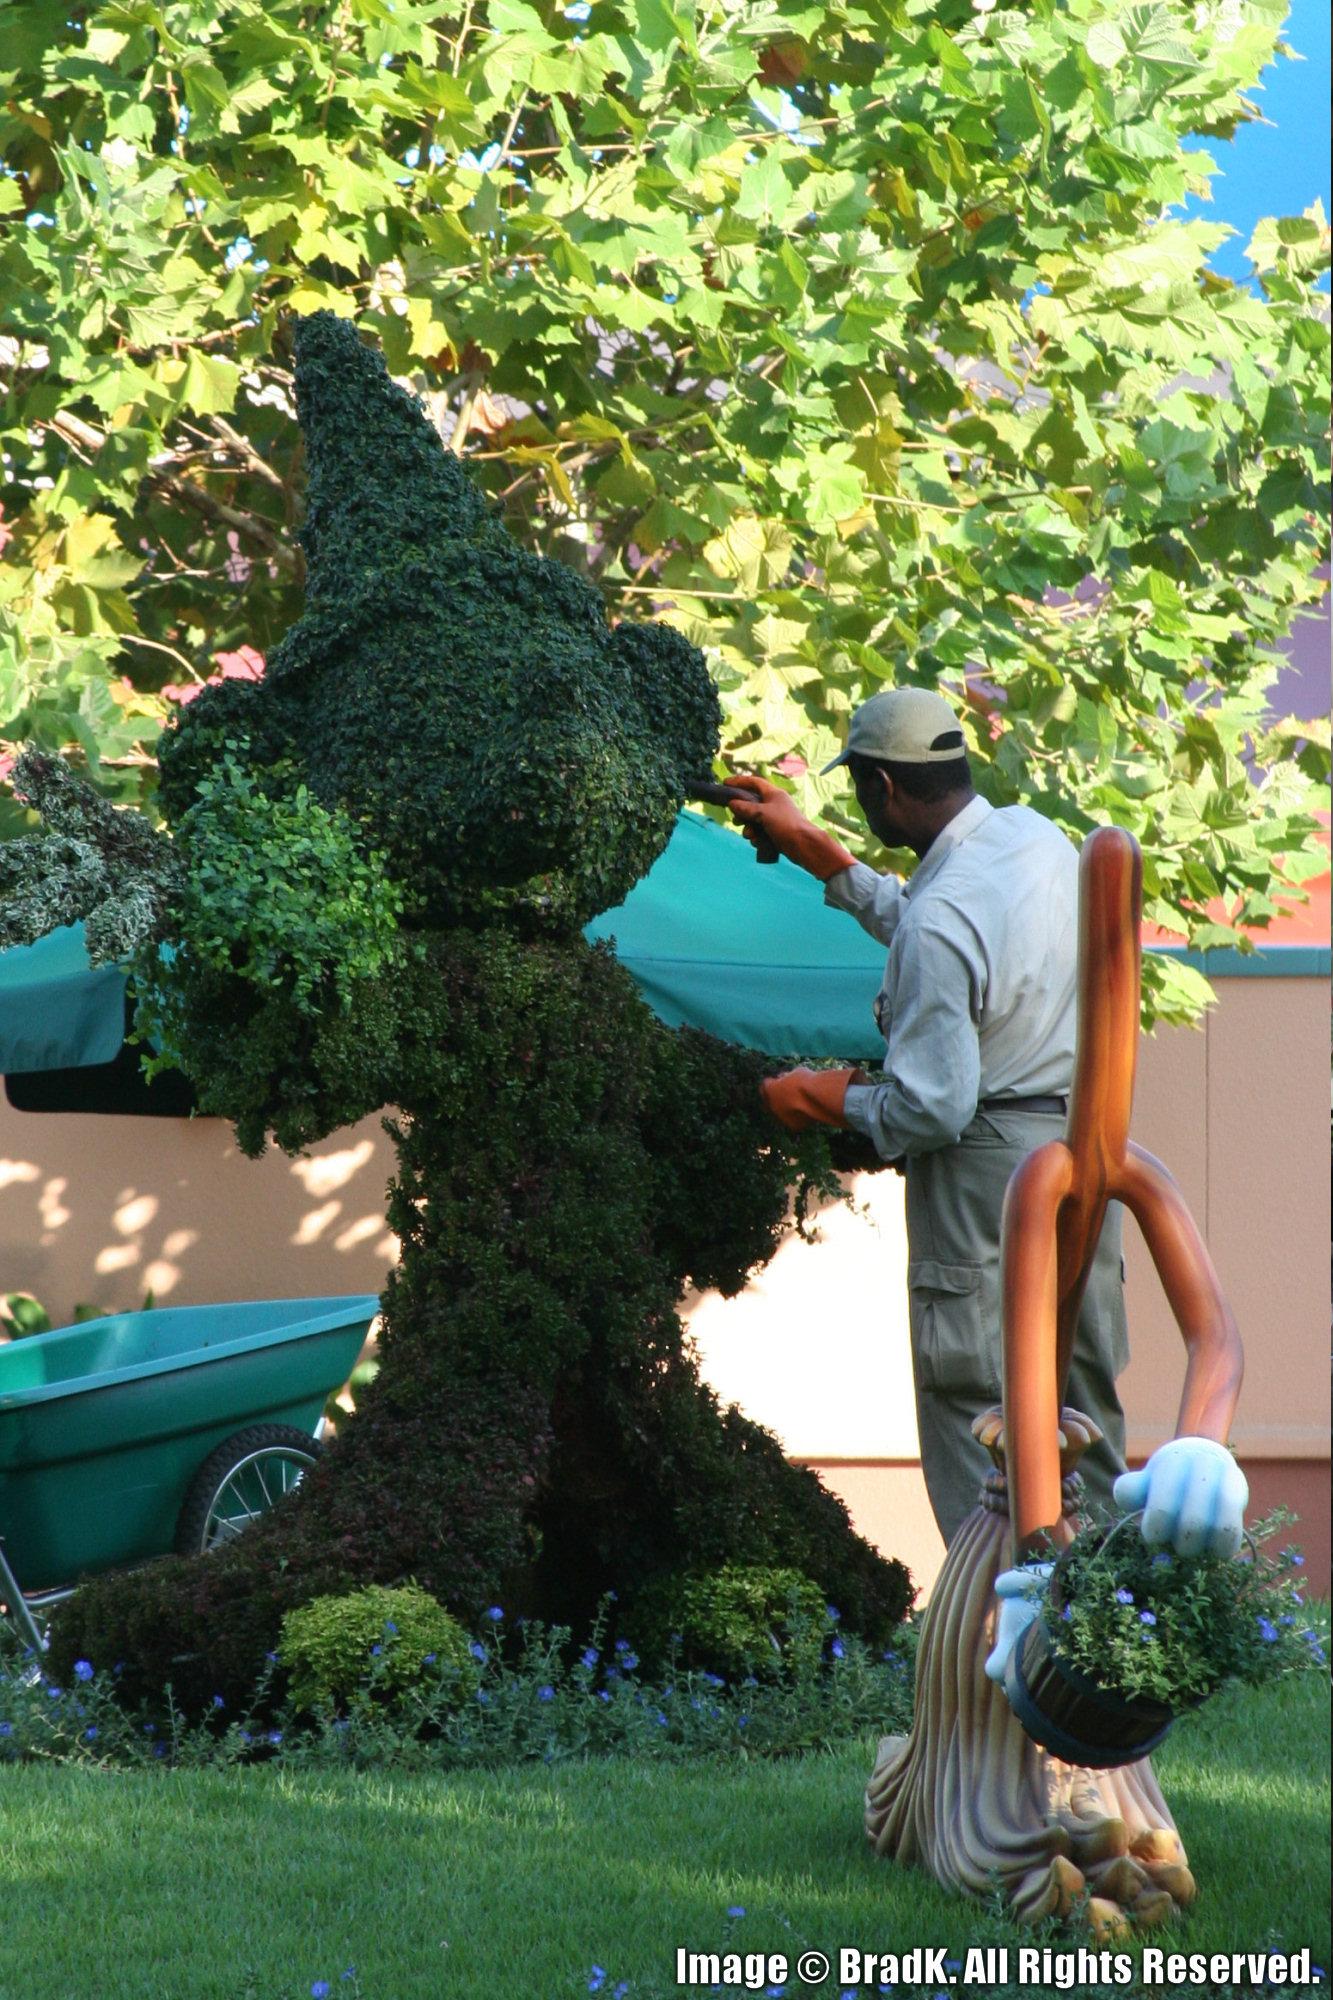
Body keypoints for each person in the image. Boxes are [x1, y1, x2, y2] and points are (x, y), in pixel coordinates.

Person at [727, 686, 1129, 1546]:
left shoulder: (939, 921)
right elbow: (941, 925)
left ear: (880, 785)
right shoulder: (1030, 839)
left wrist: (814, 1096)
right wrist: (819, 856)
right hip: (1082, 1153)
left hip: (987, 1173)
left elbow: (929, 1108)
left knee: (977, 1404)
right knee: (1081, 1409)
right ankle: (1116, 1629)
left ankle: (994, 1638)